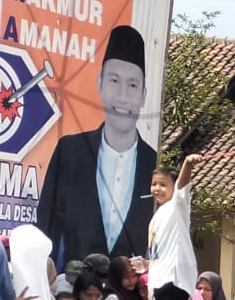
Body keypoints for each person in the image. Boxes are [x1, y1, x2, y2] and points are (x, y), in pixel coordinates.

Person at [36, 25, 159, 266]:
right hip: (72, 285)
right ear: (100, 84)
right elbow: (47, 223)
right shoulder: (70, 151)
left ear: (143, 95)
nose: (122, 96)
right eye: (114, 80)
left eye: (132, 85)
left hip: (129, 288)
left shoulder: (154, 164)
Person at [147, 156, 199, 300]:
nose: (157, 189)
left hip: (173, 276)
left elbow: (183, 185)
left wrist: (187, 164)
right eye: (154, 184)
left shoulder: (177, 205)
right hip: (162, 275)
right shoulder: (159, 213)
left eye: (163, 184)